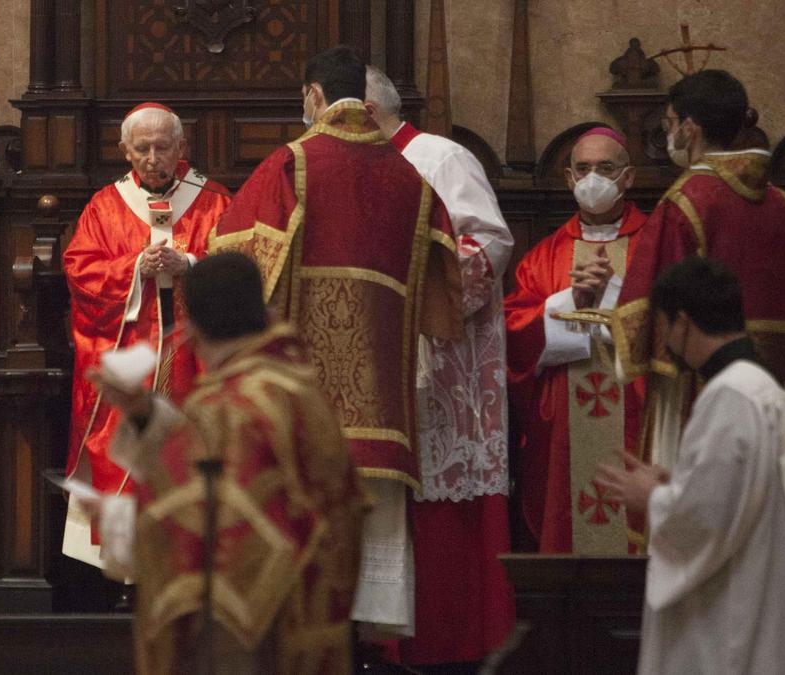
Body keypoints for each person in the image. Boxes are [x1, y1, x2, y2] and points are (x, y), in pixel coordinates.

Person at [210, 45, 463, 640]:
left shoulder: (292, 164)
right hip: (384, 407)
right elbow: (446, 287)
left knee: (301, 592)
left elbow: (235, 270)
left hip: (303, 405)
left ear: (315, 97)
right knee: (363, 585)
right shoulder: (411, 180)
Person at [82, 252, 366, 674]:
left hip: (248, 639)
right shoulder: (294, 386)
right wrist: (143, 413)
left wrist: (118, 517)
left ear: (190, 325)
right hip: (310, 622)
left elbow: (219, 530)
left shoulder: (228, 406)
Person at [611, 69, 785, 530]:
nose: (669, 134)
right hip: (780, 393)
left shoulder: (685, 201)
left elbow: (645, 309)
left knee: (704, 531)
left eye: (670, 123)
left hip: (703, 395)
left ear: (689, 128)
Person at [596, 257, 785, 675]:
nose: (666, 343)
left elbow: (705, 522)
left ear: (682, 322)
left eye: (666, 328)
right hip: (767, 601)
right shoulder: (770, 389)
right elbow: (737, 500)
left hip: (737, 623)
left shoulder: (729, 397)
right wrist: (677, 486)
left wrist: (653, 497)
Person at [364, 65, 515, 668]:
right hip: (375, 363)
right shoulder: (350, 165)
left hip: (440, 360)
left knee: (442, 514)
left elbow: (490, 245)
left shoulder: (440, 157)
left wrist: (407, 298)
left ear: (366, 110)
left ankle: (447, 648)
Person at [61, 102, 231, 566]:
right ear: (124, 151)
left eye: (163, 147)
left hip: (194, 356)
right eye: (142, 148)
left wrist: (190, 265)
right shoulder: (106, 206)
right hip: (131, 348)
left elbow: (242, 265)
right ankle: (128, 568)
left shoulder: (213, 201)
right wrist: (136, 267)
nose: (153, 157)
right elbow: (81, 270)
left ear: (182, 147)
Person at [505, 127, 648, 554]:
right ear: (568, 179)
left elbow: (677, 321)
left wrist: (615, 294)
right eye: (583, 169)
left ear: (628, 178)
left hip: (637, 413)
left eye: (605, 168)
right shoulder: (546, 254)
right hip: (564, 424)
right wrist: (571, 299)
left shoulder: (658, 243)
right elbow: (514, 329)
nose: (593, 179)